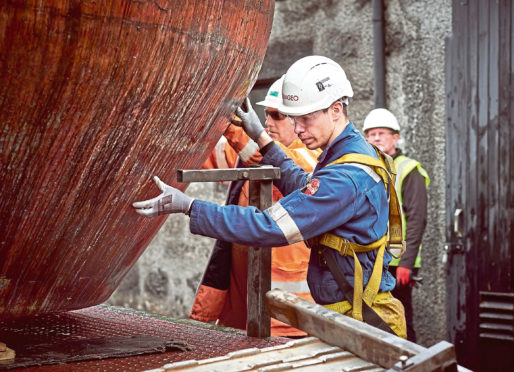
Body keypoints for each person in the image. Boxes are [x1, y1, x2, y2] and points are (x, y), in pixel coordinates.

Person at [133, 56, 406, 338]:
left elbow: (269, 226)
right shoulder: (349, 153)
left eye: (306, 119)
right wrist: (262, 138)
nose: (298, 128)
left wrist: (189, 207)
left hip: (359, 319)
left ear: (335, 110)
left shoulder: (346, 176)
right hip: (352, 311)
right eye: (295, 119)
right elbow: (305, 186)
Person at [190, 76, 321, 337]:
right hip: (245, 301)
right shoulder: (248, 155)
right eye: (266, 115)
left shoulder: (311, 158)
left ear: (299, 118)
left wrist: (230, 122)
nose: (268, 123)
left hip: (286, 316)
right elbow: (203, 156)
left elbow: (268, 160)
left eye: (276, 115)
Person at [362, 107, 430, 342]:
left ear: (395, 137)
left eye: (382, 133)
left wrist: (407, 263)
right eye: (371, 134)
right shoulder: (368, 168)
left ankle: (411, 365)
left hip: (398, 262)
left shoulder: (408, 169)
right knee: (377, 322)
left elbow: (417, 219)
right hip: (373, 260)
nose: (376, 138)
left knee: (401, 320)